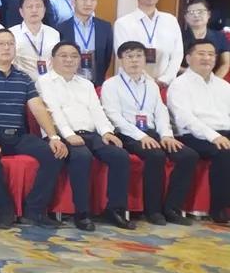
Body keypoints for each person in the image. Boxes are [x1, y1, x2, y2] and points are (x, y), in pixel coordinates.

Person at [0, 28, 68, 228]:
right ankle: (5, 209)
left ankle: (34, 210)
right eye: (1, 44)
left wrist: (54, 137)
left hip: (18, 135)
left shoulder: (24, 78)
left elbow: (38, 108)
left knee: (54, 154)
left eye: (10, 44)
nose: (6, 48)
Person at [36, 42, 134, 231]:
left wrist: (106, 132)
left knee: (120, 156)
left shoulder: (86, 84)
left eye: (74, 56)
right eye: (63, 56)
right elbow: (53, 112)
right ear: (52, 59)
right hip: (60, 135)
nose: (69, 60)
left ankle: (115, 210)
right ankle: (82, 213)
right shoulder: (44, 82)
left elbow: (97, 111)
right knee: (82, 157)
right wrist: (69, 135)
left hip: (89, 134)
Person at [101, 41, 197, 225]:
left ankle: (171, 208)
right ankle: (153, 211)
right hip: (128, 134)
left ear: (145, 59)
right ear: (121, 60)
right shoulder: (111, 85)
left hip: (152, 132)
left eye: (139, 56)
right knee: (155, 155)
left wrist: (166, 135)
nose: (134, 60)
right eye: (129, 56)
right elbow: (114, 117)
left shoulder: (151, 84)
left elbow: (160, 112)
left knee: (188, 156)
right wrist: (141, 136)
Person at [167, 39, 230, 223]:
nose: (207, 58)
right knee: (224, 151)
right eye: (201, 54)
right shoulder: (179, 85)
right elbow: (185, 119)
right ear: (188, 58)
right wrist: (214, 136)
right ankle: (220, 209)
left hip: (224, 131)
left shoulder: (224, 86)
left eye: (211, 54)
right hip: (193, 135)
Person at [113, 0, 183, 87]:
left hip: (167, 85)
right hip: (133, 83)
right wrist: (150, 82)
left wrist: (165, 80)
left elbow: (177, 55)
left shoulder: (170, 20)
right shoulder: (123, 23)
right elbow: (124, 55)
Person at [56, 0, 113, 86]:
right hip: (69, 84)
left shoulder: (105, 27)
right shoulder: (61, 29)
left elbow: (106, 57)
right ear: (73, 2)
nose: (88, 3)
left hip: (96, 85)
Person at [9, 0, 61, 81]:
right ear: (21, 11)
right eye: (29, 7)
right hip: (21, 82)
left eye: (38, 6)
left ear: (44, 10)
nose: (34, 10)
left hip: (50, 83)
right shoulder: (11, 33)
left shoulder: (54, 33)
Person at [181, 0, 230, 77]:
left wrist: (213, 81)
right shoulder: (178, 36)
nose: (196, 15)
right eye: (191, 12)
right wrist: (193, 75)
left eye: (200, 11)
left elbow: (225, 63)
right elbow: (171, 63)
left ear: (209, 15)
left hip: (213, 79)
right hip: (183, 78)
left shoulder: (220, 36)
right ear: (186, 17)